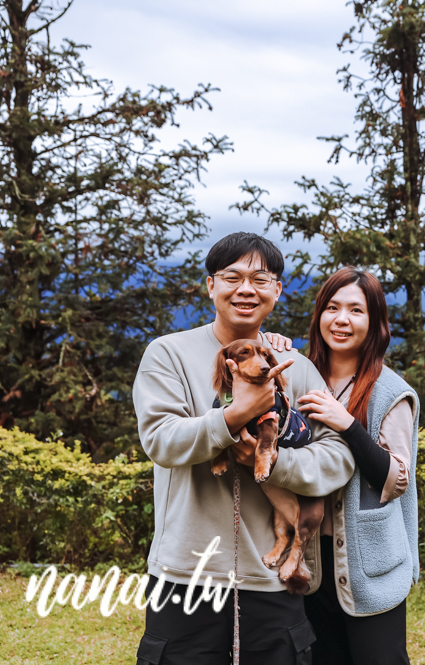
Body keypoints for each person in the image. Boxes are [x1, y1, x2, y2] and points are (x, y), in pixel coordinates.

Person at [132, 232, 355, 665]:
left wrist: (271, 461)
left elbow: (338, 456)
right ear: (210, 286)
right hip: (186, 575)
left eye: (260, 278)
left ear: (277, 290)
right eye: (232, 277)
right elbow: (160, 439)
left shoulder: (297, 367)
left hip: (272, 580)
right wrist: (233, 417)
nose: (246, 289)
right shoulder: (168, 354)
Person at [269, 266, 419, 665]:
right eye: (332, 308)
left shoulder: (391, 391)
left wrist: (348, 424)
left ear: (374, 323)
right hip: (309, 560)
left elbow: (394, 479)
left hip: (370, 563)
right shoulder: (300, 375)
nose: (341, 319)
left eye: (356, 310)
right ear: (318, 316)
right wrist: (273, 345)